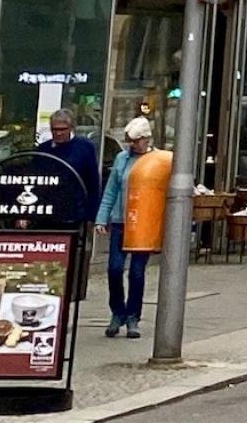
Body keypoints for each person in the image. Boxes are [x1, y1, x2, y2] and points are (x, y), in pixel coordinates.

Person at [98, 118, 168, 339]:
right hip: (121, 220)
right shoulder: (122, 159)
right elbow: (111, 190)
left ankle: (132, 317)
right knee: (114, 269)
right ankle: (117, 311)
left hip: (144, 223)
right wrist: (102, 218)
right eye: (130, 141)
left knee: (137, 272)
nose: (132, 145)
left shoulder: (157, 160)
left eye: (136, 141)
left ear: (147, 139)